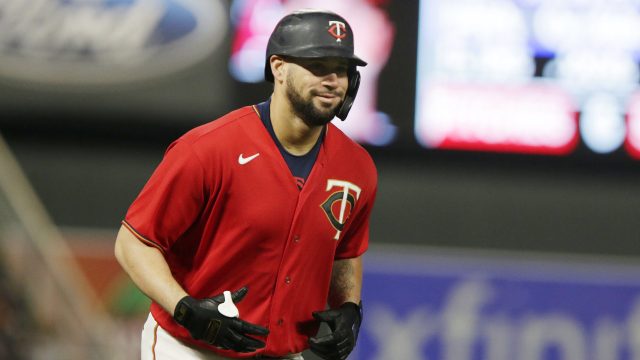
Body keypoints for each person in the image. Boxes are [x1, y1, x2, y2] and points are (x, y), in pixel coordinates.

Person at [114, 9, 377, 360]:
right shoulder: (209, 149)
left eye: (342, 70)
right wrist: (185, 308)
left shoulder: (357, 167)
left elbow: (344, 252)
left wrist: (349, 307)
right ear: (279, 68)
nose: (333, 80)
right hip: (191, 349)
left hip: (284, 353)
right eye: (318, 66)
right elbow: (133, 244)